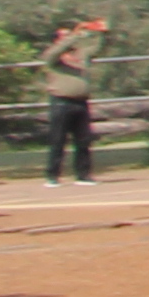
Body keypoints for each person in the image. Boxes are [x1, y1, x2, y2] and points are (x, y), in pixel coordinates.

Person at [35, 13, 109, 185]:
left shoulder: (81, 54)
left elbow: (97, 49)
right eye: (63, 36)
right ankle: (52, 176)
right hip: (61, 102)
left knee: (83, 141)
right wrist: (75, 34)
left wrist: (101, 32)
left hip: (80, 102)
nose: (68, 38)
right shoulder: (53, 56)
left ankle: (83, 175)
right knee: (58, 141)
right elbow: (53, 53)